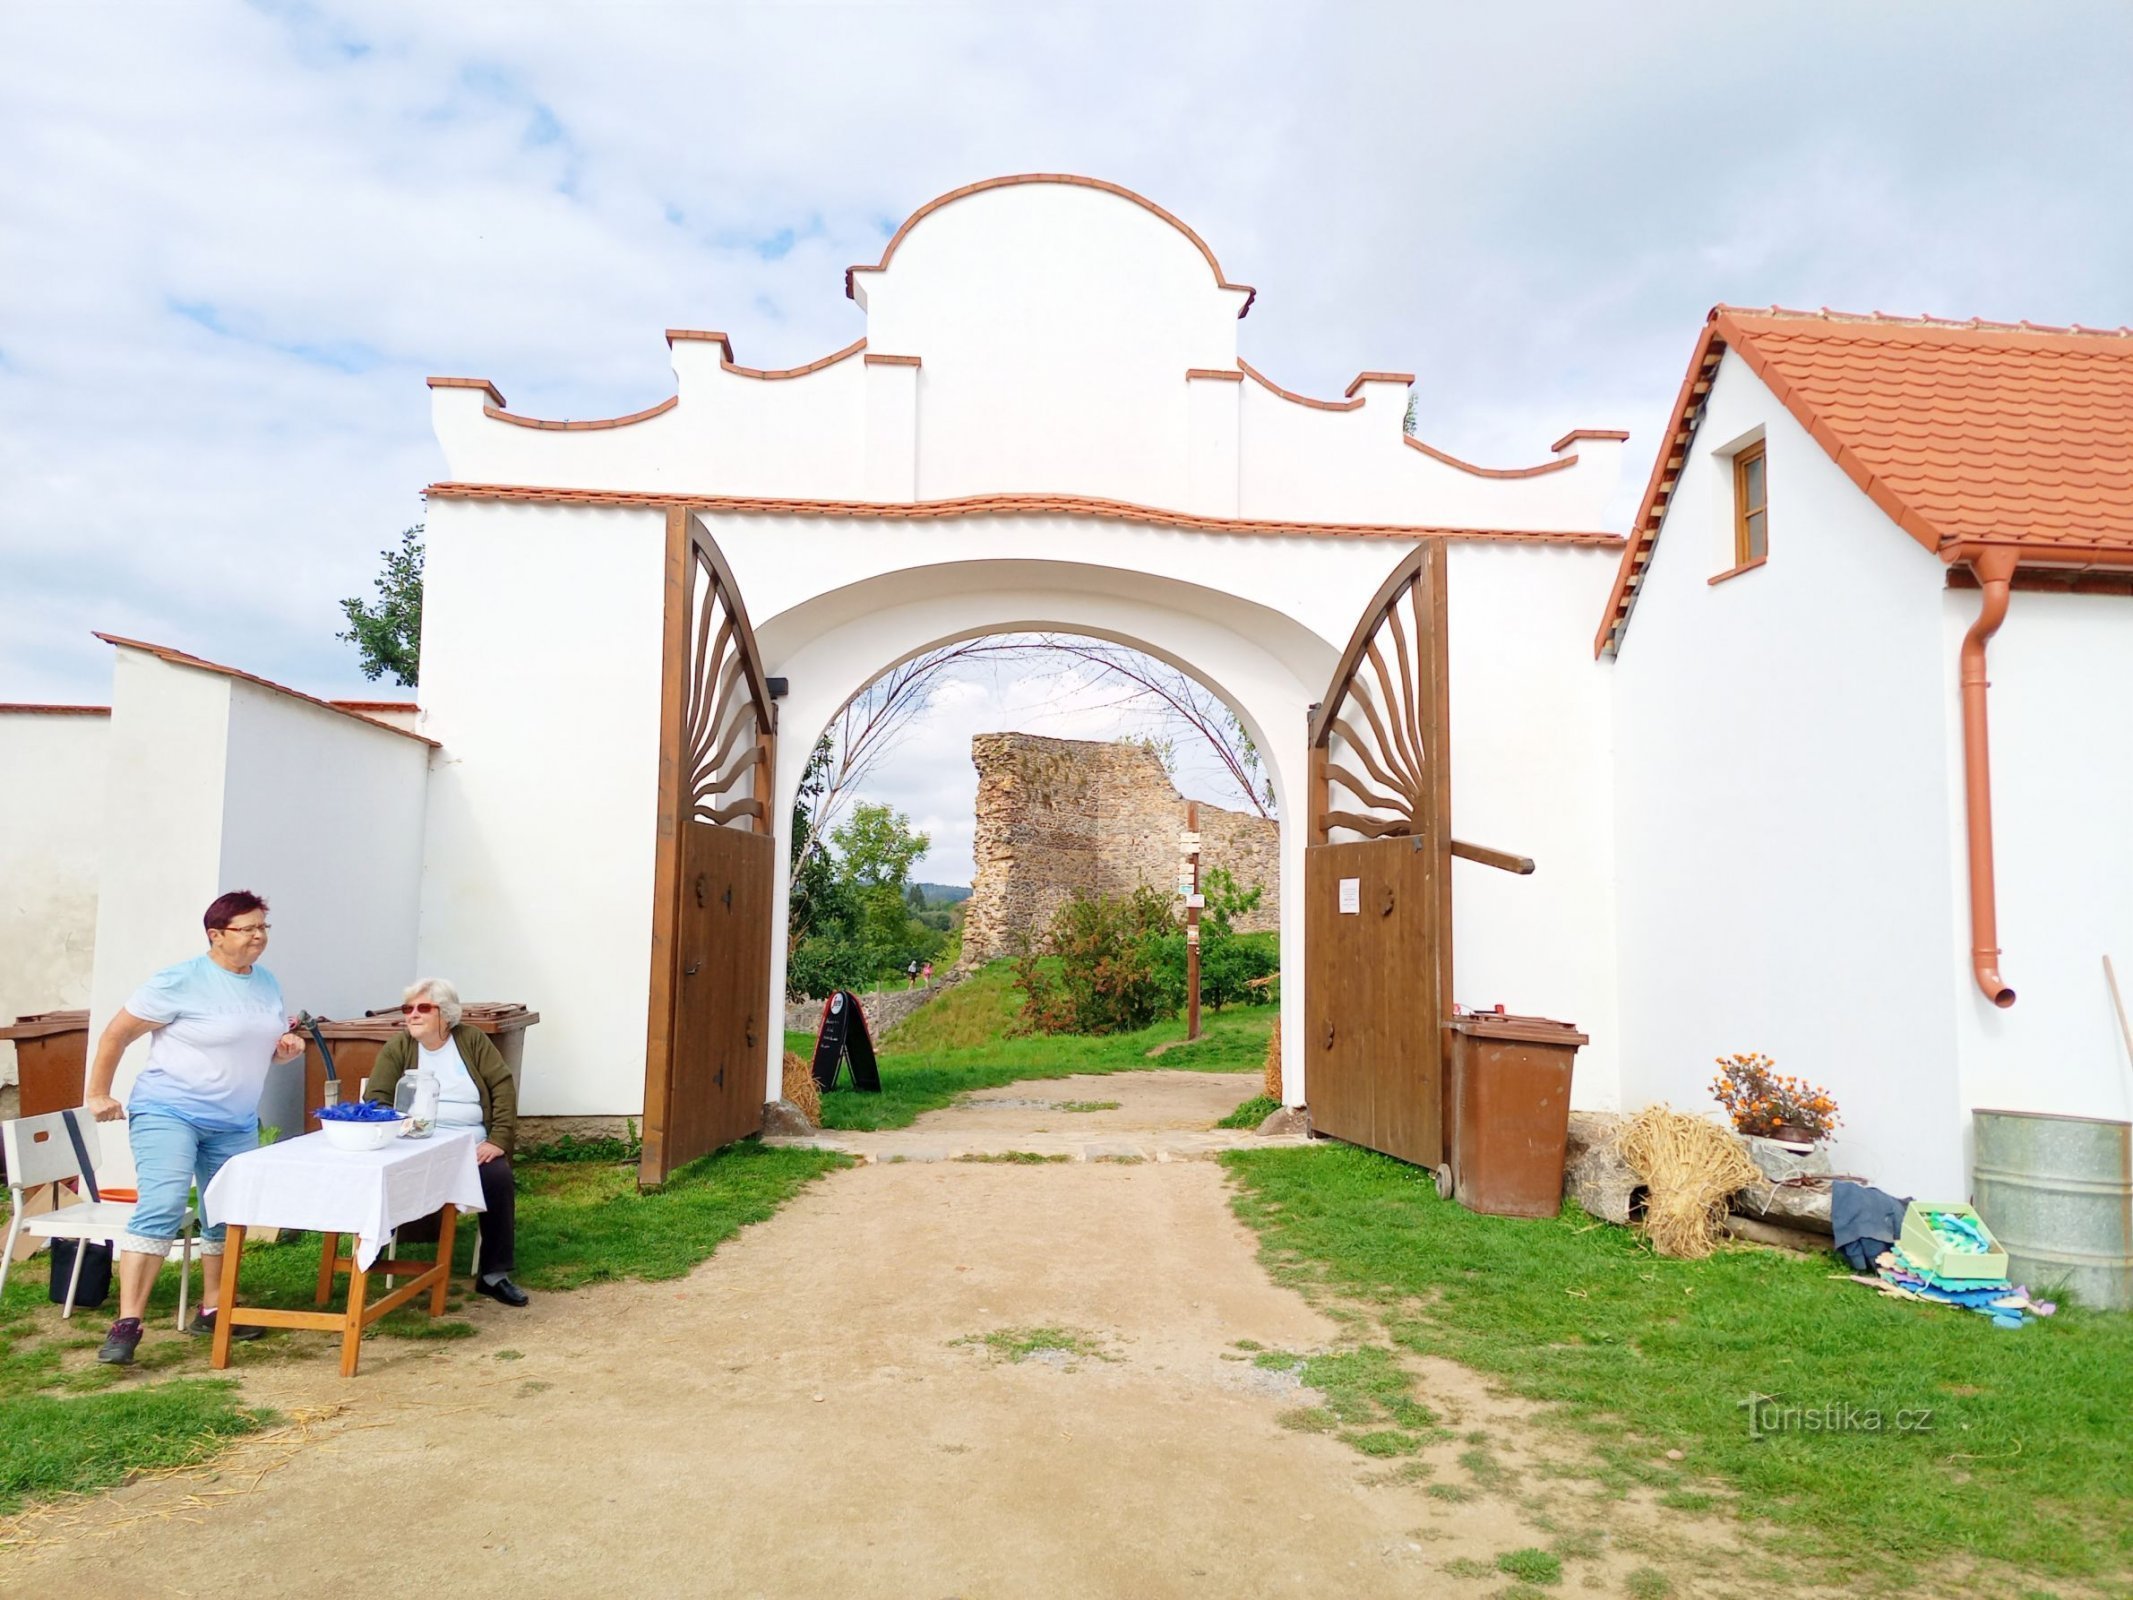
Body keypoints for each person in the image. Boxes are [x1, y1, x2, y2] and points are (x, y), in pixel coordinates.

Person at [84, 890, 306, 1364]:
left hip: (234, 1120)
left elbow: (255, 1044)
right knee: (163, 1205)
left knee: (225, 1213)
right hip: (170, 1110)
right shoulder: (180, 980)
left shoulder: (266, 982)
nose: (259, 936)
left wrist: (282, 1048)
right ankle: (128, 1323)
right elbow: (116, 1034)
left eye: (263, 927)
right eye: (248, 928)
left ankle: (213, 1309)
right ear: (216, 935)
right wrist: (98, 1093)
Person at [365, 979, 528, 1307]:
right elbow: (376, 1097)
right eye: (407, 1009)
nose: (412, 1015)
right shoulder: (399, 1047)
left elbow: (502, 1086)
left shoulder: (472, 1041)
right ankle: (371, 1252)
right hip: (414, 1142)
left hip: (470, 1144)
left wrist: (498, 1140)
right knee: (382, 1173)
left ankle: (494, 1274)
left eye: (423, 1008)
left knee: (497, 1177)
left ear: (446, 1014)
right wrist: (397, 1125)